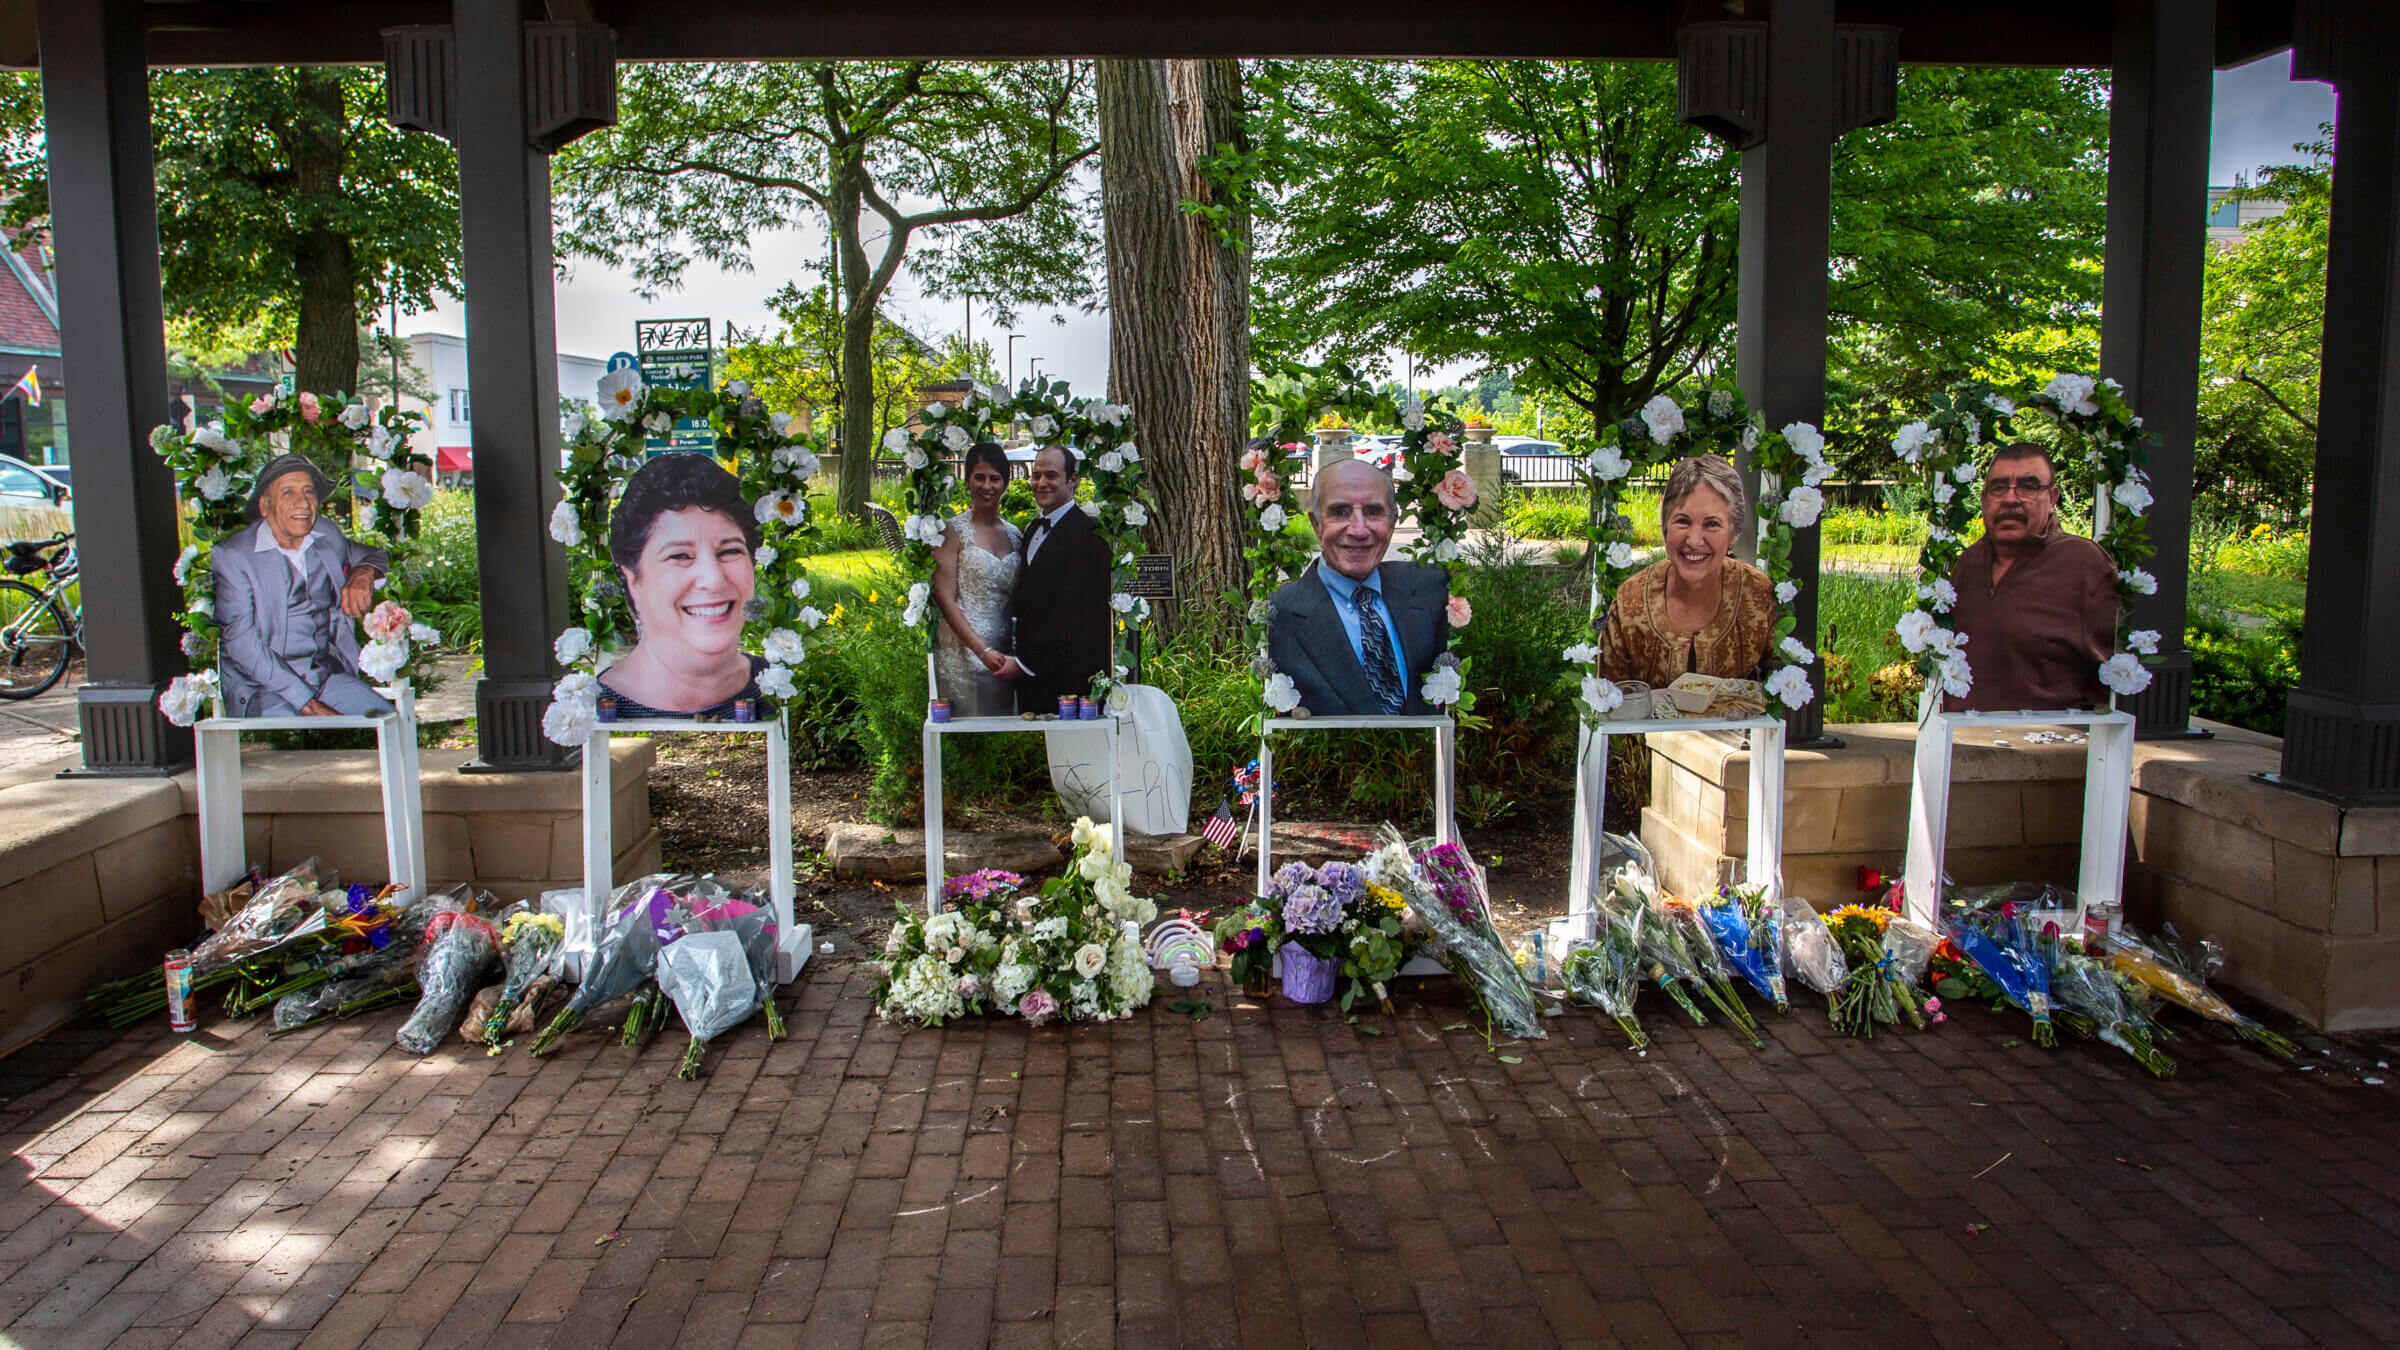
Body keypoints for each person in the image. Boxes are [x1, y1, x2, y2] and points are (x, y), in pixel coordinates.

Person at [213, 454, 393, 718]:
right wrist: (307, 703)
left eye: (308, 492)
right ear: (265, 505)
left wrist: (363, 573)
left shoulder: (326, 534)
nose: (303, 502)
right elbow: (241, 644)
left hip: (326, 677)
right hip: (265, 688)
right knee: (306, 744)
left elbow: (375, 556)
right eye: (288, 492)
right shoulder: (233, 555)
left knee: (387, 722)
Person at [1266, 458, 1450, 715]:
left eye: (1373, 512)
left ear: (1393, 521)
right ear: (1316, 524)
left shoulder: (1435, 589)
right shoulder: (1277, 614)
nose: (1359, 530)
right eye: (1340, 512)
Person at [1946, 441, 2116, 711]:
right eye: (1998, 488)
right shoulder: (1969, 562)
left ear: (2053, 499)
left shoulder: (2084, 564)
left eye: (2028, 487)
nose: (2010, 499)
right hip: (1958, 742)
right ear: (1984, 499)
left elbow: (2117, 679)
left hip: (2047, 743)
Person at [596, 453, 767, 719]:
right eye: (679, 556)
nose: (713, 580)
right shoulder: (601, 703)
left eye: (729, 552)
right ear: (633, 580)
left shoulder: (775, 687)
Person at [1596, 453, 1775, 690]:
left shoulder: (1759, 595)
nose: (1694, 540)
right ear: (1664, 526)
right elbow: (1611, 702)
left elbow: (1780, 697)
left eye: (1712, 524)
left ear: (1733, 532)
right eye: (1682, 521)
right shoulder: (1631, 600)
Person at [1010, 444, 1112, 713]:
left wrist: (1024, 662)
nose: (1041, 483)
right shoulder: (1032, 529)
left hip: (1071, 685)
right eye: (1036, 475)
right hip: (1032, 683)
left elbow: (1078, 617)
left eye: (1051, 476)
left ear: (1073, 480)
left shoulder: (1090, 535)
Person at [931, 442, 1024, 715]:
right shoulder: (953, 532)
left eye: (995, 479)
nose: (987, 486)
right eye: (979, 477)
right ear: (968, 480)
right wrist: (981, 651)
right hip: (962, 652)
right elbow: (944, 597)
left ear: (1005, 483)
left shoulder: (1016, 535)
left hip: (1005, 656)